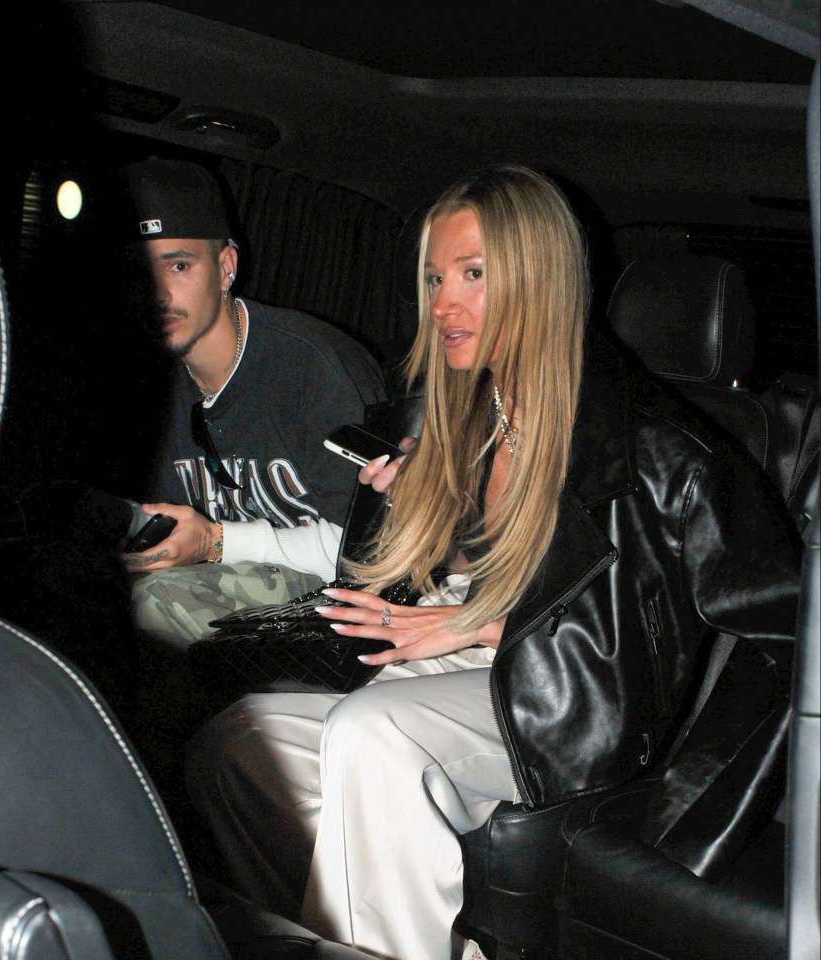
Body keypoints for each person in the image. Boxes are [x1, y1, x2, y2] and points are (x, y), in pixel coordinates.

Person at [184, 165, 801, 960]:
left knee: (377, 741)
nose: (443, 303)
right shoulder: (459, 414)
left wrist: (478, 627)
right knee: (237, 745)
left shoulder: (664, 453)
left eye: (472, 275)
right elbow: (430, 576)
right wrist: (411, 509)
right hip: (477, 657)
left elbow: (778, 632)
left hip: (574, 696)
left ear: (538, 277)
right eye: (435, 277)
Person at [113, 159, 387, 648]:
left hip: (346, 595)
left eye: (179, 265)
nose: (158, 292)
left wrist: (217, 541)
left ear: (225, 268)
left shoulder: (314, 367)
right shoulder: (143, 381)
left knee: (155, 609)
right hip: (223, 577)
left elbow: (373, 550)